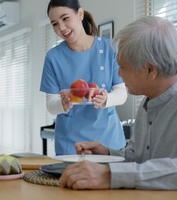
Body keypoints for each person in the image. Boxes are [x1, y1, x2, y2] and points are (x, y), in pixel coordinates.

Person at [60, 16, 177, 190]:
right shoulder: (147, 102)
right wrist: (108, 153)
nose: (119, 75)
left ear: (150, 70)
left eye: (123, 67)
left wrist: (111, 175)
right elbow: (139, 159)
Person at [40, 0, 127, 155]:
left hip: (109, 141)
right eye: (55, 24)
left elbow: (122, 93)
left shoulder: (109, 48)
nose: (61, 28)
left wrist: (106, 99)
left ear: (80, 14)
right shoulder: (53, 57)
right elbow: (50, 104)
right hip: (71, 145)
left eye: (65, 18)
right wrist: (63, 104)